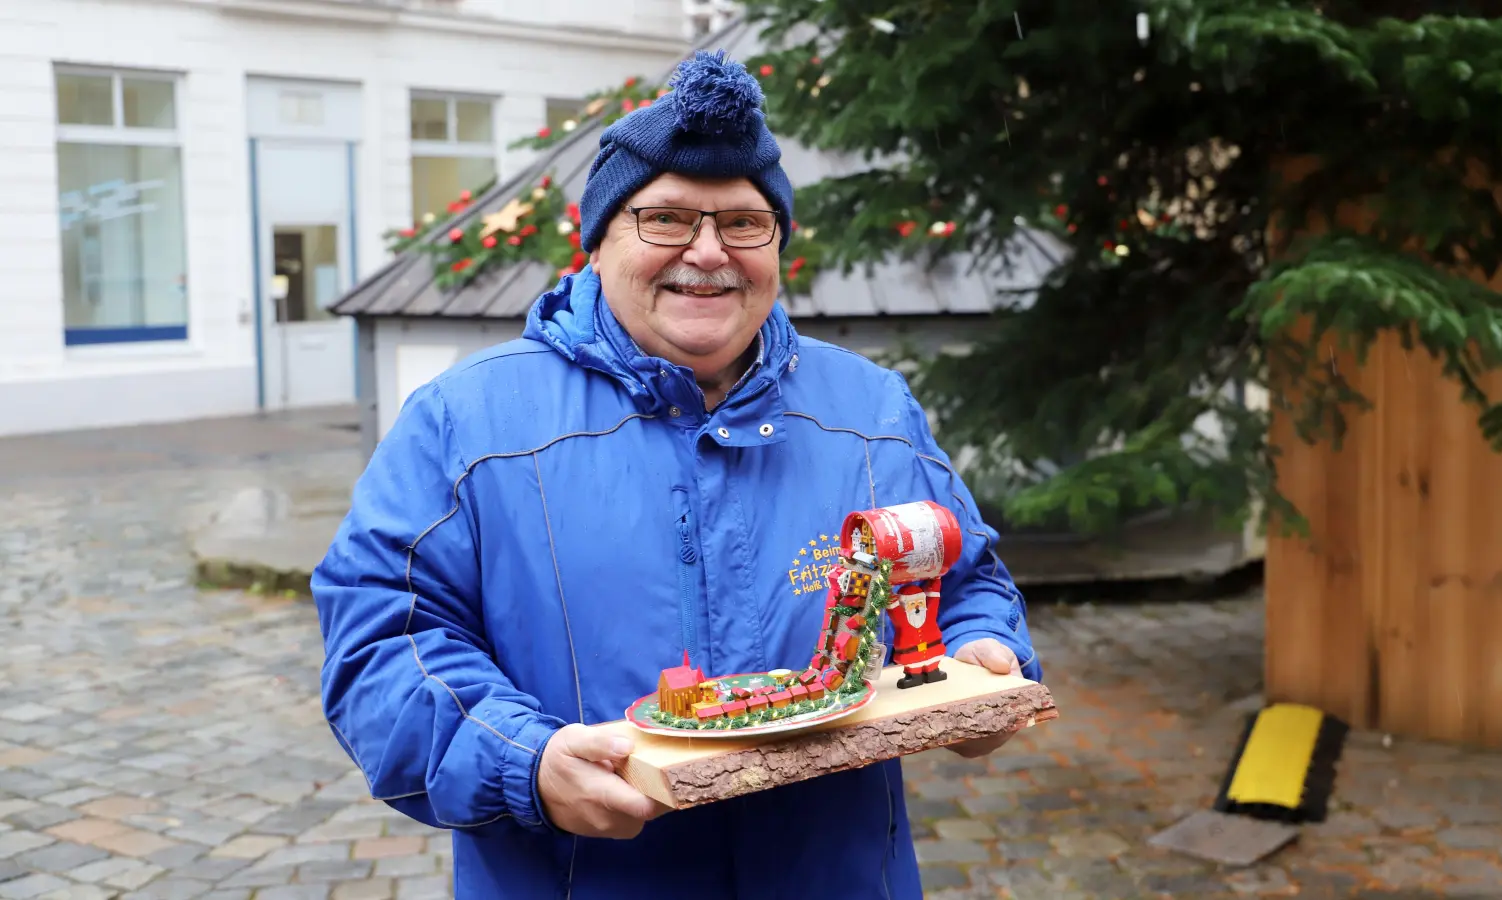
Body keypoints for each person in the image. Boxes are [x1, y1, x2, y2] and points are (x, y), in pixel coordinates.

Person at [312, 49, 1042, 900]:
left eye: (743, 222)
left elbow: (964, 581)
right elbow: (383, 644)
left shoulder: (870, 407)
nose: (707, 251)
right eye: (664, 218)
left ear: (778, 244)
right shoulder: (463, 420)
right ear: (597, 242)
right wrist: (527, 763)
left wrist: (982, 656)